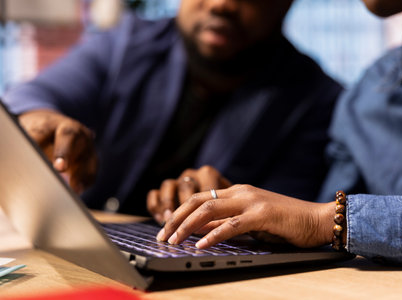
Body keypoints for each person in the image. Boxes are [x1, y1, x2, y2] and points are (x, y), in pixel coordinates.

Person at [155, 0, 402, 266]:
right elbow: (324, 226)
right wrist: (244, 215)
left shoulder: (329, 94)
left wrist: (327, 221)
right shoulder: (363, 98)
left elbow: (325, 220)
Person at [2, 0, 342, 220]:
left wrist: (229, 205)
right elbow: (33, 96)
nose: (222, 4)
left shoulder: (317, 100)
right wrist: (36, 118)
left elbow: (289, 215)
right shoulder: (126, 44)